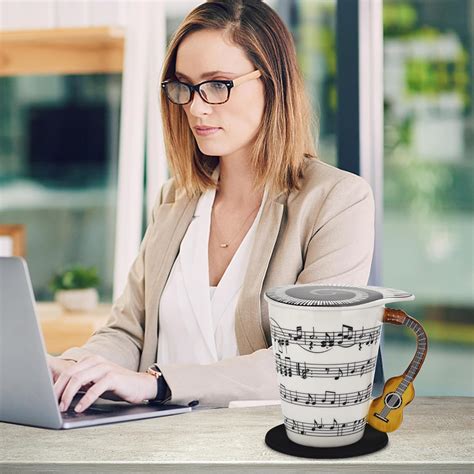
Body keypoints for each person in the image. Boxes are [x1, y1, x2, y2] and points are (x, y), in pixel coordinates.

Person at [48, 0, 375, 413]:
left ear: (273, 83)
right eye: (183, 86)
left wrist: (156, 384)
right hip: (149, 446)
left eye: (218, 84)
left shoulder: (336, 201)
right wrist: (71, 369)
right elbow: (128, 332)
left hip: (260, 451)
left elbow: (309, 359)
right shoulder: (176, 199)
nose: (196, 107)